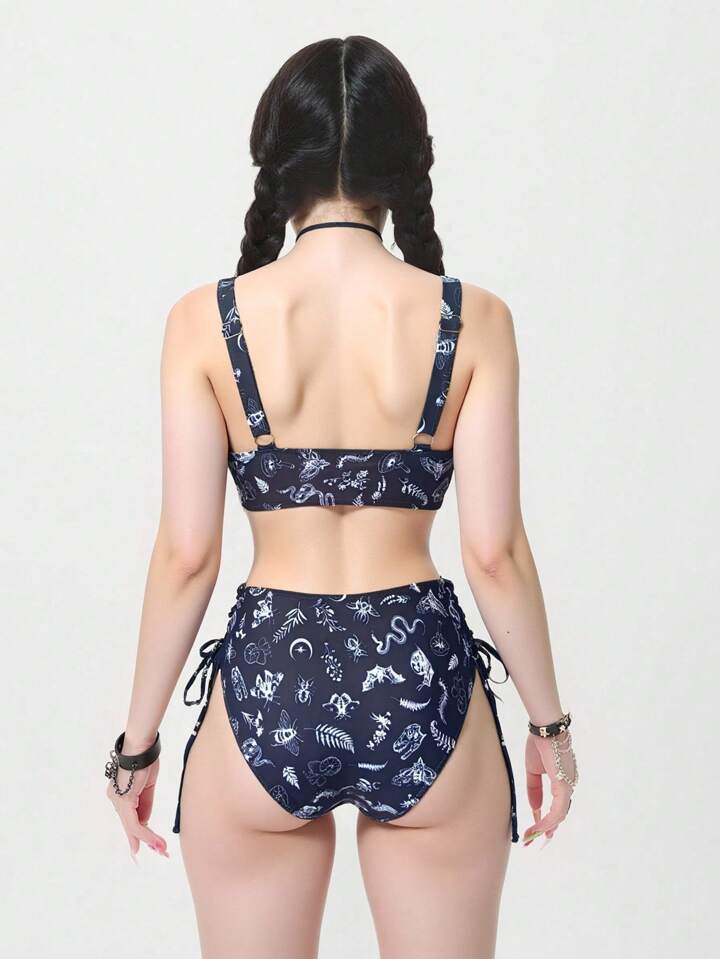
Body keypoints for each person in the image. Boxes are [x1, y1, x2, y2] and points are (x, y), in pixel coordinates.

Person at [104, 35, 578, 959]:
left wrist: (136, 744)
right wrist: (549, 726)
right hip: (423, 680)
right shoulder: (474, 319)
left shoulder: (205, 322)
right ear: (405, 163)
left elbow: (187, 556)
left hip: (269, 684)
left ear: (277, 161)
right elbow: (494, 553)